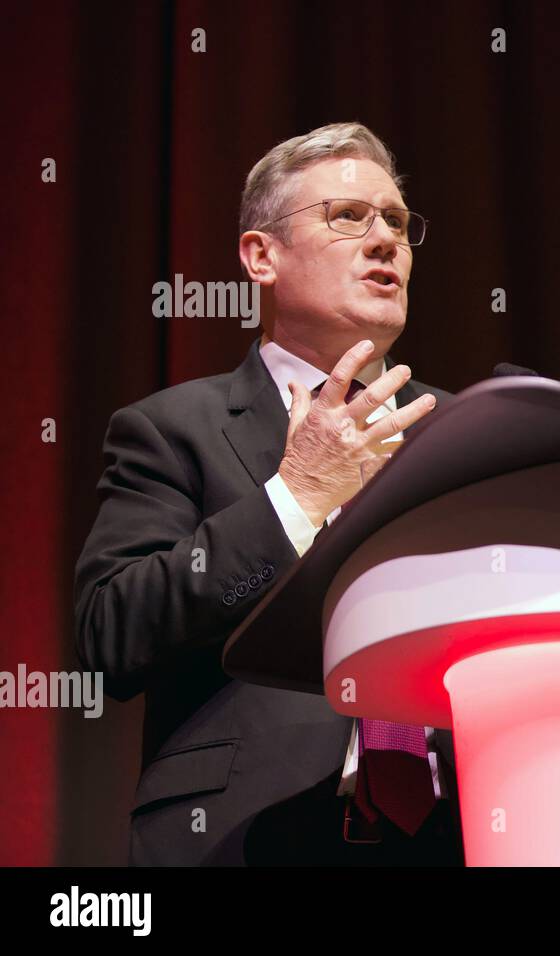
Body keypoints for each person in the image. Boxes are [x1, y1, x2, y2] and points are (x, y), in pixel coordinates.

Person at [73, 122, 460, 864]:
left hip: (455, 835)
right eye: (348, 217)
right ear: (261, 256)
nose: (385, 241)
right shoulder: (170, 429)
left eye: (397, 222)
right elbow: (109, 636)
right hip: (245, 839)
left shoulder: (465, 431)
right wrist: (296, 498)